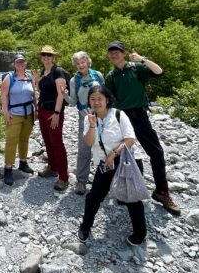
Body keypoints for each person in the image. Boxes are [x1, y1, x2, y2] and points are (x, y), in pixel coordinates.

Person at [105, 41, 180, 216]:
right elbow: (109, 100)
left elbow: (159, 72)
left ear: (124, 53)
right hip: (122, 118)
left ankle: (161, 192)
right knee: (123, 154)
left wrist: (142, 59)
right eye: (111, 52)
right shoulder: (111, 76)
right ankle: (124, 190)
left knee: (156, 153)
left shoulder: (137, 68)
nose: (114, 55)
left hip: (140, 116)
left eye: (117, 52)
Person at [78, 85, 147, 246]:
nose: (96, 103)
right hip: (105, 163)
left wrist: (113, 154)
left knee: (131, 197)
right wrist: (93, 125)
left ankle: (140, 232)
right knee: (94, 196)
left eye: (99, 99)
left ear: (107, 100)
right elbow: (88, 143)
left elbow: (130, 139)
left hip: (126, 160)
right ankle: (85, 226)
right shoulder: (89, 118)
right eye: (92, 99)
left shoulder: (118, 114)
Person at [64, 51, 104, 195]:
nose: (81, 65)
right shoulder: (74, 81)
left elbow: (105, 93)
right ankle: (81, 181)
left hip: (102, 115)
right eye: (78, 63)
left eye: (83, 62)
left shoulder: (98, 75)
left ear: (87, 62)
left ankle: (105, 179)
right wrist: (64, 95)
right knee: (84, 148)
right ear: (75, 65)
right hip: (84, 117)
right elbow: (73, 102)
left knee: (105, 146)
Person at [33, 45, 69, 191]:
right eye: (44, 55)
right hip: (42, 110)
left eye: (49, 55)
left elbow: (61, 94)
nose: (46, 58)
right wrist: (36, 82)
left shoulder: (58, 71)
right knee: (47, 140)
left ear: (54, 57)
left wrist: (57, 113)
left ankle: (64, 177)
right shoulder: (44, 71)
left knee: (57, 143)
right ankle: (53, 168)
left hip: (53, 112)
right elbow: (42, 91)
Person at [1, 54, 37, 186]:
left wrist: (36, 109)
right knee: (11, 141)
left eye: (22, 62)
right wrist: (5, 112)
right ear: (14, 64)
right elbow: (4, 95)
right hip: (14, 113)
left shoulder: (29, 77)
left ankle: (23, 162)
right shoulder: (9, 78)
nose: (20, 64)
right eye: (18, 62)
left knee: (24, 139)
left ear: (25, 63)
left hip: (28, 112)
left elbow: (33, 95)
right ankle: (8, 168)